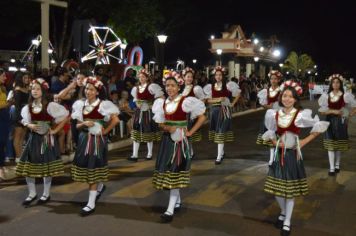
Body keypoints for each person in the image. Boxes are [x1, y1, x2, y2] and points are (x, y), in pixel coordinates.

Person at [262, 81, 329, 236]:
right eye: (285, 95)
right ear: (281, 97)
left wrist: (304, 142)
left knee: (289, 190)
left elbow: (318, 126)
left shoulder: (300, 115)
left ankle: (287, 221)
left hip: (293, 156)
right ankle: (284, 211)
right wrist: (275, 143)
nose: (287, 99)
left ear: (295, 99)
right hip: (279, 155)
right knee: (277, 189)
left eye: (291, 96)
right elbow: (270, 133)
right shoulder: (274, 114)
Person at [152, 71, 206, 223]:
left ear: (178, 86)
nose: (169, 88)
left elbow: (202, 116)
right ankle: (177, 201)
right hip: (167, 141)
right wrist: (166, 128)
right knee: (170, 171)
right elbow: (160, 122)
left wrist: (190, 132)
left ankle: (170, 210)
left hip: (180, 142)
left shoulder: (185, 101)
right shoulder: (162, 103)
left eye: (173, 85)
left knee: (174, 171)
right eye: (167, 85)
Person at [16, 78, 69, 206]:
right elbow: (23, 120)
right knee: (28, 166)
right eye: (33, 88)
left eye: (38, 89)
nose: (34, 91)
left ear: (43, 91)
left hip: (46, 140)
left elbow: (66, 116)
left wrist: (55, 131)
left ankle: (46, 194)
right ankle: (32, 193)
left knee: (46, 167)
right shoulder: (28, 107)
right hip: (33, 139)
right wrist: (29, 125)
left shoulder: (50, 106)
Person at [71, 76, 119, 216]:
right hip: (84, 139)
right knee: (87, 165)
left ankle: (91, 203)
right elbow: (77, 125)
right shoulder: (80, 105)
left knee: (93, 166)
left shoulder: (103, 104)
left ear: (97, 92)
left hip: (97, 141)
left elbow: (115, 120)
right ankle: (100, 186)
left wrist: (105, 131)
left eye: (91, 89)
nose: (88, 91)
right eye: (86, 89)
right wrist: (85, 124)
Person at [318, 74, 356, 176]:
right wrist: (333, 111)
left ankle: (337, 165)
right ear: (331, 84)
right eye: (333, 82)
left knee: (338, 145)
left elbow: (354, 106)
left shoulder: (345, 95)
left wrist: (349, 115)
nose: (335, 84)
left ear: (340, 84)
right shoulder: (326, 96)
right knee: (330, 144)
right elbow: (322, 111)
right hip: (329, 121)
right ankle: (331, 168)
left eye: (337, 82)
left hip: (341, 122)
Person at [203, 66, 240, 164]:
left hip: (224, 111)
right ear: (214, 76)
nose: (218, 76)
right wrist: (218, 99)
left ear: (223, 76)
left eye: (220, 75)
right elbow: (208, 100)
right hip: (214, 111)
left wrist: (232, 104)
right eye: (216, 75)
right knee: (218, 132)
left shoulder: (228, 86)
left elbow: (238, 94)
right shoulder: (210, 87)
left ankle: (219, 156)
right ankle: (222, 152)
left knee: (220, 132)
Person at [128, 69, 163, 161]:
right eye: (140, 77)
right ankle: (135, 155)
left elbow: (161, 97)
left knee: (148, 132)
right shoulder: (136, 88)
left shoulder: (151, 86)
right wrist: (137, 104)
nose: (141, 78)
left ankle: (149, 154)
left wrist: (153, 105)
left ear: (147, 78)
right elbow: (135, 99)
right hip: (139, 113)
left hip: (147, 113)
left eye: (143, 77)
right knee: (136, 132)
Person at [256, 70, 282, 165]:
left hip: (279, 116)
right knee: (271, 136)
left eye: (275, 79)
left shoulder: (281, 91)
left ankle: (277, 155)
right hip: (269, 116)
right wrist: (266, 106)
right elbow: (264, 105)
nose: (273, 80)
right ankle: (272, 158)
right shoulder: (266, 91)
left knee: (279, 136)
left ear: (278, 80)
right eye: (272, 78)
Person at [180, 67, 205, 158]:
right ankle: (189, 152)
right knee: (183, 133)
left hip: (190, 115)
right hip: (182, 114)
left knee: (188, 133)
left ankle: (190, 153)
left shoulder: (196, 89)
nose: (190, 78)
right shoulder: (181, 89)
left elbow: (202, 100)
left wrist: (196, 111)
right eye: (188, 76)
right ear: (183, 77)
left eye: (191, 77)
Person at [0, 69, 10, 181]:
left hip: (4, 117)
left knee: (2, 143)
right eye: (3, 76)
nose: (5, 78)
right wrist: (8, 103)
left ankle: (1, 168)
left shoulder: (3, 88)